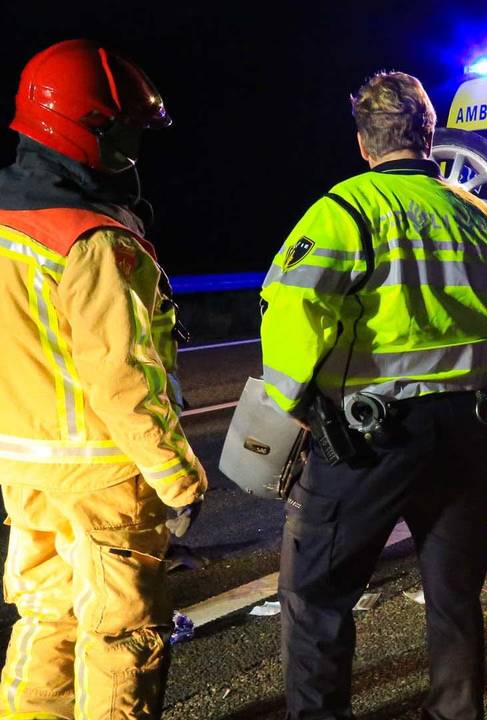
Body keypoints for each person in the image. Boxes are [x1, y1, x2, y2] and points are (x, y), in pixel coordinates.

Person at [260, 71, 487, 720]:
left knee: (318, 595)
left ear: (363, 142)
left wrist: (290, 405)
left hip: (371, 436)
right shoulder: (479, 213)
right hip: (464, 429)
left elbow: (294, 312)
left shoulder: (345, 211)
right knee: (455, 597)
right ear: (428, 136)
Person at [0, 40, 206, 719]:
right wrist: (177, 479)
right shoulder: (92, 241)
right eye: (126, 132)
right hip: (103, 473)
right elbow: (124, 381)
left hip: (23, 466)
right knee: (121, 636)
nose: (132, 150)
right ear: (92, 131)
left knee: (47, 617)